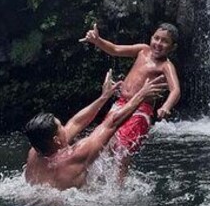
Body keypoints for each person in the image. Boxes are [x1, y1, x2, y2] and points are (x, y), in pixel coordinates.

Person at [23, 70, 167, 190]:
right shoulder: (76, 155)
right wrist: (141, 95)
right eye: (61, 127)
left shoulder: (35, 152)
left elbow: (76, 123)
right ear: (56, 139)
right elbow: (111, 124)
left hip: (37, 203)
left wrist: (104, 97)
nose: (65, 128)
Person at [80, 23, 181, 177]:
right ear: (151, 37)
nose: (158, 43)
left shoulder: (166, 66)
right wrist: (97, 40)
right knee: (103, 143)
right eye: (156, 38)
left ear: (173, 47)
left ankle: (119, 188)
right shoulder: (142, 50)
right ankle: (97, 181)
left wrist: (166, 106)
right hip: (120, 104)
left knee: (123, 149)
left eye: (165, 41)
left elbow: (175, 90)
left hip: (141, 111)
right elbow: (115, 49)